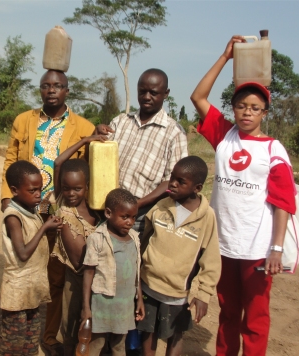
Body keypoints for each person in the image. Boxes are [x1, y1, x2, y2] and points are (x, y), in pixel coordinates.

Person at [190, 36, 296, 356]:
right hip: (224, 246)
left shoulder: (273, 150)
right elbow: (198, 96)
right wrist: (225, 57)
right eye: (241, 106)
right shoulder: (224, 136)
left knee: (257, 319)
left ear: (264, 112)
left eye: (254, 108)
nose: (247, 112)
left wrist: (276, 248)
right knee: (228, 314)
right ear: (233, 108)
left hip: (258, 250)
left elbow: (283, 203)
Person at [1, 69, 95, 354]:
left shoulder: (83, 127)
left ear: (67, 90)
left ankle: (49, 336)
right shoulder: (24, 121)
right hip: (26, 207)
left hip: (59, 208)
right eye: (45, 86)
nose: (51, 90)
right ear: (40, 90)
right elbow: (10, 159)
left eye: (57, 86)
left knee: (56, 274)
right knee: (25, 264)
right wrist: (7, 198)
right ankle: (22, 325)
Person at [137, 156, 221, 356]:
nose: (172, 184)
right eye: (172, 177)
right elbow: (143, 239)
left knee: (175, 336)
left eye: (180, 181)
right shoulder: (162, 205)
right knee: (148, 332)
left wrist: (204, 294)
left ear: (197, 188)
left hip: (177, 293)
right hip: (149, 283)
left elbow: (211, 258)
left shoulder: (207, 217)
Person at [96, 69, 188, 234]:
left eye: (153, 93)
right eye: (142, 91)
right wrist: (96, 136)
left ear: (166, 93)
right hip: (105, 208)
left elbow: (171, 181)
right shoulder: (121, 121)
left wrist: (135, 206)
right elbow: (100, 158)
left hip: (138, 214)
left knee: (129, 258)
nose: (146, 97)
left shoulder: (174, 133)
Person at [0, 160, 63, 355]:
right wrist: (45, 228)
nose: (38, 195)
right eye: (32, 190)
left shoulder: (32, 208)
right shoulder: (13, 217)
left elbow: (50, 202)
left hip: (31, 289)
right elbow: (23, 253)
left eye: (40, 190)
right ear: (15, 190)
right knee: (12, 343)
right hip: (17, 290)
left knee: (30, 341)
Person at [50, 135, 105, 356]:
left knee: (93, 328)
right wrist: (85, 142)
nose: (71, 194)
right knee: (70, 325)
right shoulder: (60, 204)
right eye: (66, 188)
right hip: (74, 277)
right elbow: (57, 163)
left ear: (88, 187)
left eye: (77, 189)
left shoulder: (99, 210)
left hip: (98, 279)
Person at [81, 188, 145, 356]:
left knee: (118, 345)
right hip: (102, 304)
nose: (130, 222)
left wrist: (139, 299)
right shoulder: (97, 239)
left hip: (124, 305)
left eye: (133, 217)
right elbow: (88, 274)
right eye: (125, 217)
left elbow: (136, 271)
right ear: (108, 213)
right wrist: (86, 307)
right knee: (96, 344)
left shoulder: (135, 238)